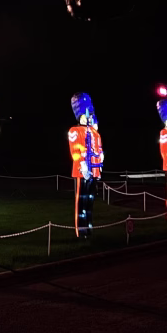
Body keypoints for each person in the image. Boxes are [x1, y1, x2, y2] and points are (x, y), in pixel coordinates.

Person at [68, 92, 104, 238]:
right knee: (81, 200)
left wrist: (99, 164)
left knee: (90, 200)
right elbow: (75, 150)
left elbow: (99, 150)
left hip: (93, 171)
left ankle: (89, 225)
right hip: (82, 171)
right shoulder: (74, 130)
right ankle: (80, 228)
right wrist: (82, 165)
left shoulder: (95, 133)